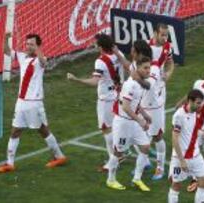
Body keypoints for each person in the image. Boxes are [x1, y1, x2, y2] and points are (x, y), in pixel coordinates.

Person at [0, 33, 67, 173]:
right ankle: (10, 163)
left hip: (34, 103)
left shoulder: (40, 61)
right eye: (27, 44)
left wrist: (38, 50)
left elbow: (44, 62)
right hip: (21, 102)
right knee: (15, 131)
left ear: (37, 46)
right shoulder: (22, 57)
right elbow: (6, 51)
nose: (28, 46)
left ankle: (59, 156)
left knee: (43, 130)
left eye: (32, 44)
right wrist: (5, 38)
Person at [67, 34, 124, 172]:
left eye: (96, 44)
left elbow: (94, 81)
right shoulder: (118, 54)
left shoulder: (100, 61)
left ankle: (114, 159)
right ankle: (118, 155)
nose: (95, 46)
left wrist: (76, 79)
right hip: (118, 94)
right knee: (115, 126)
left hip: (106, 99)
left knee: (106, 128)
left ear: (101, 47)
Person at [106, 56, 152, 192]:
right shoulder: (130, 84)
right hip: (124, 123)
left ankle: (137, 178)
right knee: (118, 152)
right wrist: (140, 120)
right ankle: (111, 179)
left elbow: (135, 103)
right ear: (137, 68)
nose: (148, 70)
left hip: (134, 122)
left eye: (149, 67)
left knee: (145, 146)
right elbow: (126, 107)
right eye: (145, 68)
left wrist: (144, 114)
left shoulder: (140, 83)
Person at [168, 89, 204, 203]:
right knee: (176, 186)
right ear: (190, 101)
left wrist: (202, 132)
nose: (200, 105)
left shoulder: (195, 112)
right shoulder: (179, 116)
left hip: (195, 155)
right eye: (198, 103)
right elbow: (174, 138)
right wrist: (181, 161)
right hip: (180, 158)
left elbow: (191, 130)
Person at [147, 23, 175, 180]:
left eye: (166, 35)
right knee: (140, 130)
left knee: (157, 133)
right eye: (162, 35)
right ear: (155, 33)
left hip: (158, 94)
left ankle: (160, 168)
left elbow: (170, 63)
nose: (165, 38)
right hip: (144, 93)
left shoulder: (167, 47)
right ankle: (144, 161)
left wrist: (169, 73)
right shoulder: (145, 47)